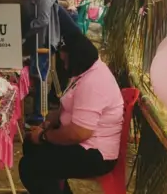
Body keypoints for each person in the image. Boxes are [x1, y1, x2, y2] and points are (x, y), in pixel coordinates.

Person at [19, 32, 124, 194]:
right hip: (84, 144)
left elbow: (79, 133)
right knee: (30, 145)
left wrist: (44, 135)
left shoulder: (93, 83)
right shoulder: (86, 70)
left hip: (94, 154)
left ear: (75, 57)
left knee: (30, 167)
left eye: (64, 60)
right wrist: (49, 123)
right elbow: (68, 106)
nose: (64, 66)